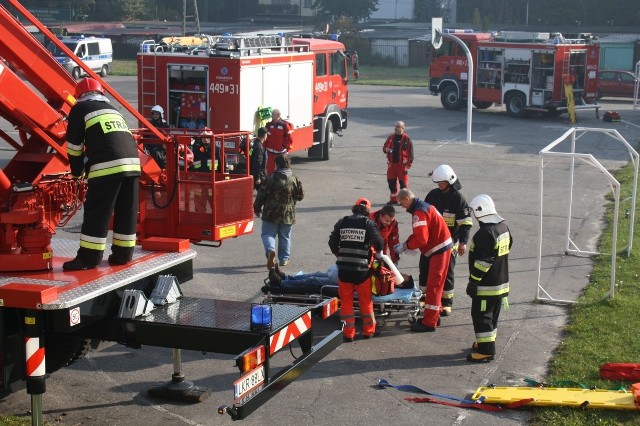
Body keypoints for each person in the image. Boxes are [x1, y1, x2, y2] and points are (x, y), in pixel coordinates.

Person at [63, 77, 141, 270]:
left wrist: (77, 173)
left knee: (98, 212)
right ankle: (123, 255)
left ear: (79, 96)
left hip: (107, 166)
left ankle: (89, 259)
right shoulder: (113, 110)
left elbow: (74, 147)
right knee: (126, 210)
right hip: (132, 164)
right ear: (101, 94)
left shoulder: (79, 109)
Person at [395, 189, 452, 332]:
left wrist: (406, 246)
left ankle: (429, 322)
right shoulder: (423, 207)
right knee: (435, 285)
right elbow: (421, 234)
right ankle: (434, 314)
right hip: (440, 248)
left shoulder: (419, 213)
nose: (402, 206)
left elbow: (421, 238)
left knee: (433, 286)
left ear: (407, 198)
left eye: (402, 203)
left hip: (439, 250)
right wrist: (407, 243)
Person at [328, 198, 384, 342]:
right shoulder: (369, 223)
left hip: (344, 270)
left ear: (354, 208)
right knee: (365, 302)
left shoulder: (342, 222)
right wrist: (378, 254)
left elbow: (332, 242)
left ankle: (348, 334)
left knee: (346, 303)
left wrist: (339, 255)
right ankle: (369, 331)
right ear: (368, 211)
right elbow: (379, 242)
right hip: (361, 271)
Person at [466, 194, 513, 363]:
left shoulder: (484, 234)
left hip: (487, 286)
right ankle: (486, 343)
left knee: (482, 316)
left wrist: (473, 281)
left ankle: (486, 351)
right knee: (492, 316)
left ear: (479, 212)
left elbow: (484, 262)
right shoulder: (503, 228)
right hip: (501, 283)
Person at [425, 164, 472, 316]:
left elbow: (465, 223)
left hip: (450, 243)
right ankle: (425, 300)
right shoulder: (433, 195)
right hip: (431, 242)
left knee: (448, 272)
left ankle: (446, 303)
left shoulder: (458, 200)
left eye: (442, 183)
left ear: (450, 181)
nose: (439, 185)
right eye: (437, 183)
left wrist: (463, 242)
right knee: (425, 269)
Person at [254, 155, 304, 269]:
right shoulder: (294, 178)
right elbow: (301, 196)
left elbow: (261, 195)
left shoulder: (271, 178)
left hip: (271, 213)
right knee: (285, 236)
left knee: (267, 234)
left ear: (277, 164)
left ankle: (270, 251)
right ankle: (284, 259)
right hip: (288, 214)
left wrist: (257, 208)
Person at [382, 121, 413, 204]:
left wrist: (409, 164)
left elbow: (410, 152)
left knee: (403, 184)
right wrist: (386, 150)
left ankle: (404, 200)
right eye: (395, 126)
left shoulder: (407, 139)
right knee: (391, 182)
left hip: (402, 166)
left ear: (403, 128)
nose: (395, 128)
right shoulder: (391, 137)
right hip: (391, 165)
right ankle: (393, 199)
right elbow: (384, 147)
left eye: (398, 127)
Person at [265, 109, 293, 175]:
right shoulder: (268, 125)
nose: (271, 115)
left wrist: (284, 146)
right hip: (270, 153)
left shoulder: (284, 125)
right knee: (270, 171)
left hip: (281, 153)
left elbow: (290, 139)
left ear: (278, 115)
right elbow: (265, 138)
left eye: (273, 114)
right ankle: (270, 182)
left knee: (282, 171)